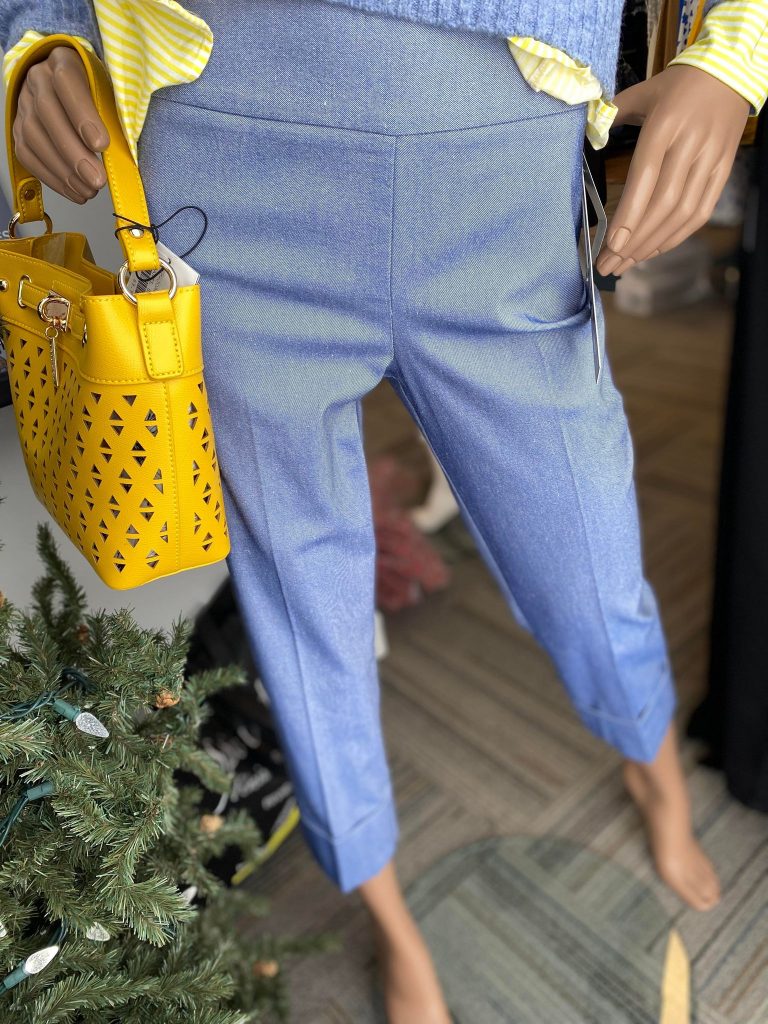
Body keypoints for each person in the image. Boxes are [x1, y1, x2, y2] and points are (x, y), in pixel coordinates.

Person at [2, 1, 765, 1020]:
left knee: (584, 551)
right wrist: (36, 35)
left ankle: (653, 768)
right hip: (223, 153)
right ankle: (388, 910)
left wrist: (737, 50)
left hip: (499, 148)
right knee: (301, 599)